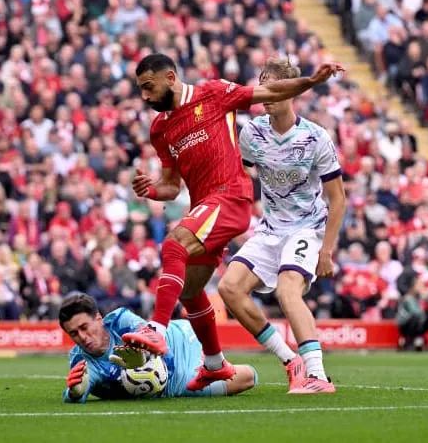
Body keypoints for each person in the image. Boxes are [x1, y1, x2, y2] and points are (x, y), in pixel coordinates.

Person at [123, 53, 343, 391]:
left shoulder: (215, 94)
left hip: (237, 202)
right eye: (140, 90)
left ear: (169, 77)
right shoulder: (163, 129)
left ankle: (158, 329)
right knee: (197, 289)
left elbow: (268, 93)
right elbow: (170, 185)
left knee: (175, 244)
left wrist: (312, 81)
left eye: (148, 87)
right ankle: (218, 364)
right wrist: (151, 189)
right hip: (241, 218)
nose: (145, 97)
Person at [217, 59, 346, 394]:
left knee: (287, 289)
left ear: (292, 91)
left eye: (274, 87)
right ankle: (292, 362)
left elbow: (338, 198)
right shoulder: (252, 133)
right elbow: (239, 180)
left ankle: (317, 375)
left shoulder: (316, 137)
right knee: (229, 288)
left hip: (307, 229)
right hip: (270, 229)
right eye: (263, 88)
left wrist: (327, 250)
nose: (266, 95)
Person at [59, 292, 257, 403]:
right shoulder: (81, 359)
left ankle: (214, 362)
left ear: (99, 319)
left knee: (250, 376)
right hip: (178, 383)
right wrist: (74, 393)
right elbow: (78, 391)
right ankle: (215, 364)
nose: (82, 338)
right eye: (74, 333)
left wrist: (143, 360)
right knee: (247, 378)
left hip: (181, 338)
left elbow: (158, 344)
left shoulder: (121, 319)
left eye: (84, 327)